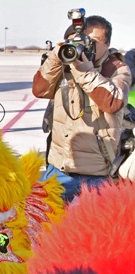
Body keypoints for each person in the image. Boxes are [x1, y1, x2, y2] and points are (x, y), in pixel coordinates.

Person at [33, 15, 131, 202]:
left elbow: (112, 102)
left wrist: (83, 69)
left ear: (107, 43)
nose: (86, 46)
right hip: (59, 168)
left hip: (96, 174)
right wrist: (55, 57)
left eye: (93, 41)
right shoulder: (64, 65)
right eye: (81, 40)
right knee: (50, 226)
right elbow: (39, 90)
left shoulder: (117, 69)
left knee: (92, 229)